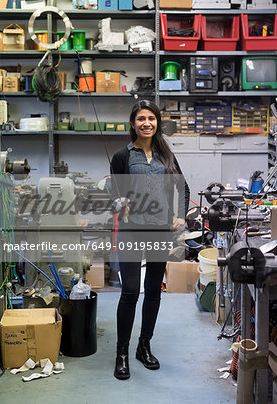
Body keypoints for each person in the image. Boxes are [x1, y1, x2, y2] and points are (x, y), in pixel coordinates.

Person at [110, 100, 190, 380]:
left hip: (159, 230)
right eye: (141, 119)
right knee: (131, 290)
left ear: (158, 122)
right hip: (132, 229)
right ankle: (122, 352)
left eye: (152, 119)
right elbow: (115, 191)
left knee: (154, 290)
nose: (147, 123)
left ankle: (144, 346)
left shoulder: (165, 155)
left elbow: (184, 186)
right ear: (133, 124)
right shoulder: (122, 156)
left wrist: (180, 215)